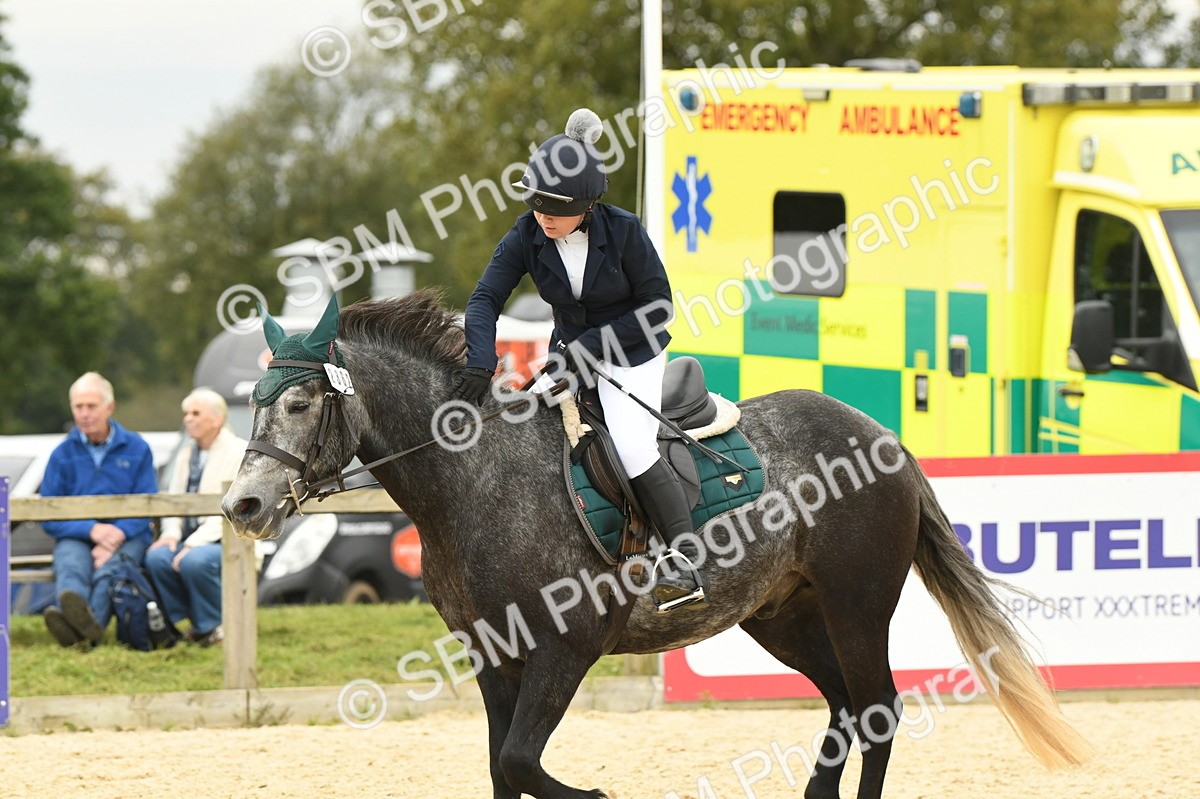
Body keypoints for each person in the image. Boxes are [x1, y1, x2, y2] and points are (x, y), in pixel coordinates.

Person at [450, 108, 707, 611]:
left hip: (632, 354)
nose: (542, 215)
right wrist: (481, 358)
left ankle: (683, 560)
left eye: (555, 207)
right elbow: (483, 299)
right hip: (570, 355)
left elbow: (658, 308)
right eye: (537, 204)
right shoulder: (526, 234)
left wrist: (590, 349)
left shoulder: (625, 231)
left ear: (587, 206)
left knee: (632, 446)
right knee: (528, 431)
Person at [41, 372, 158, 647]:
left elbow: (148, 504)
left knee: (110, 571)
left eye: (91, 406)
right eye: (78, 407)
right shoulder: (61, 454)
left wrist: (115, 534)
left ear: (109, 407)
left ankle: (81, 634)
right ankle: (83, 627)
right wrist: (91, 530)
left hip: (129, 535)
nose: (84, 414)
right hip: (78, 534)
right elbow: (47, 514)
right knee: (70, 565)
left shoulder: (137, 448)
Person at [145, 388, 249, 646]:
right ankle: (188, 622)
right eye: (186, 413)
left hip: (227, 538)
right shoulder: (186, 453)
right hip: (189, 537)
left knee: (194, 561)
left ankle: (213, 626)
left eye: (195, 413)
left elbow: (232, 508)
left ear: (216, 419)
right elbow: (175, 500)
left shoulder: (238, 451)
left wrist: (193, 544)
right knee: (156, 557)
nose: (188, 419)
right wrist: (170, 535)